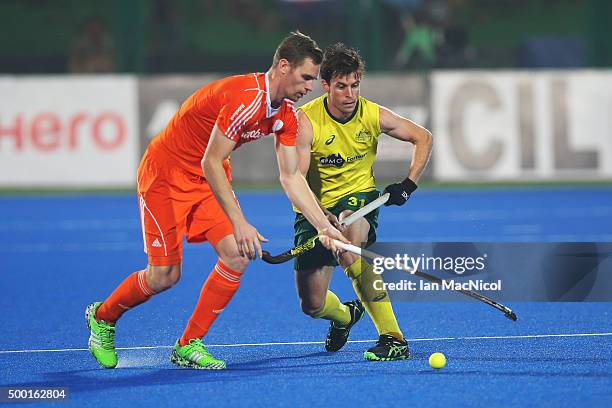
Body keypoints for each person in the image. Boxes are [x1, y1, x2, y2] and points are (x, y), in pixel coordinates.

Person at [86, 31, 347, 370]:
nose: (310, 86)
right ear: (284, 66)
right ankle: (103, 317)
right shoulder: (247, 100)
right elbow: (210, 161)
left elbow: (291, 176)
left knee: (237, 255)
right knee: (164, 276)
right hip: (167, 175)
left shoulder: (287, 114)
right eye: (306, 77)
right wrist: (240, 222)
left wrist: (325, 226)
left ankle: (188, 344)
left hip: (208, 177)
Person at [294, 43, 433, 360]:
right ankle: (345, 316)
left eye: (355, 85)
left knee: (350, 242)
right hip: (315, 210)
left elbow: (423, 137)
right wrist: (320, 218)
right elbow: (297, 179)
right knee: (312, 304)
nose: (349, 94)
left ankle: (394, 338)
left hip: (359, 200)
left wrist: (408, 184)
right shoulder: (306, 121)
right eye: (341, 86)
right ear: (326, 85)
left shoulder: (372, 114)